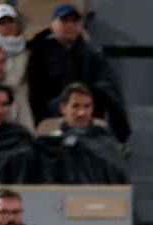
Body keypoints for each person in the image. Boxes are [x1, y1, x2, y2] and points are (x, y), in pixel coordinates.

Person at [26, 4, 130, 142]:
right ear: (52, 26)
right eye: (64, 21)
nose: (69, 25)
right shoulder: (39, 53)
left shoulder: (91, 54)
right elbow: (34, 91)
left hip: (86, 107)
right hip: (49, 112)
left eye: (74, 21)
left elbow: (108, 86)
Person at [45, 82, 129, 184]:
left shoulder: (105, 141)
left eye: (87, 106)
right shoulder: (50, 142)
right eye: (75, 106)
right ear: (63, 108)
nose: (82, 113)